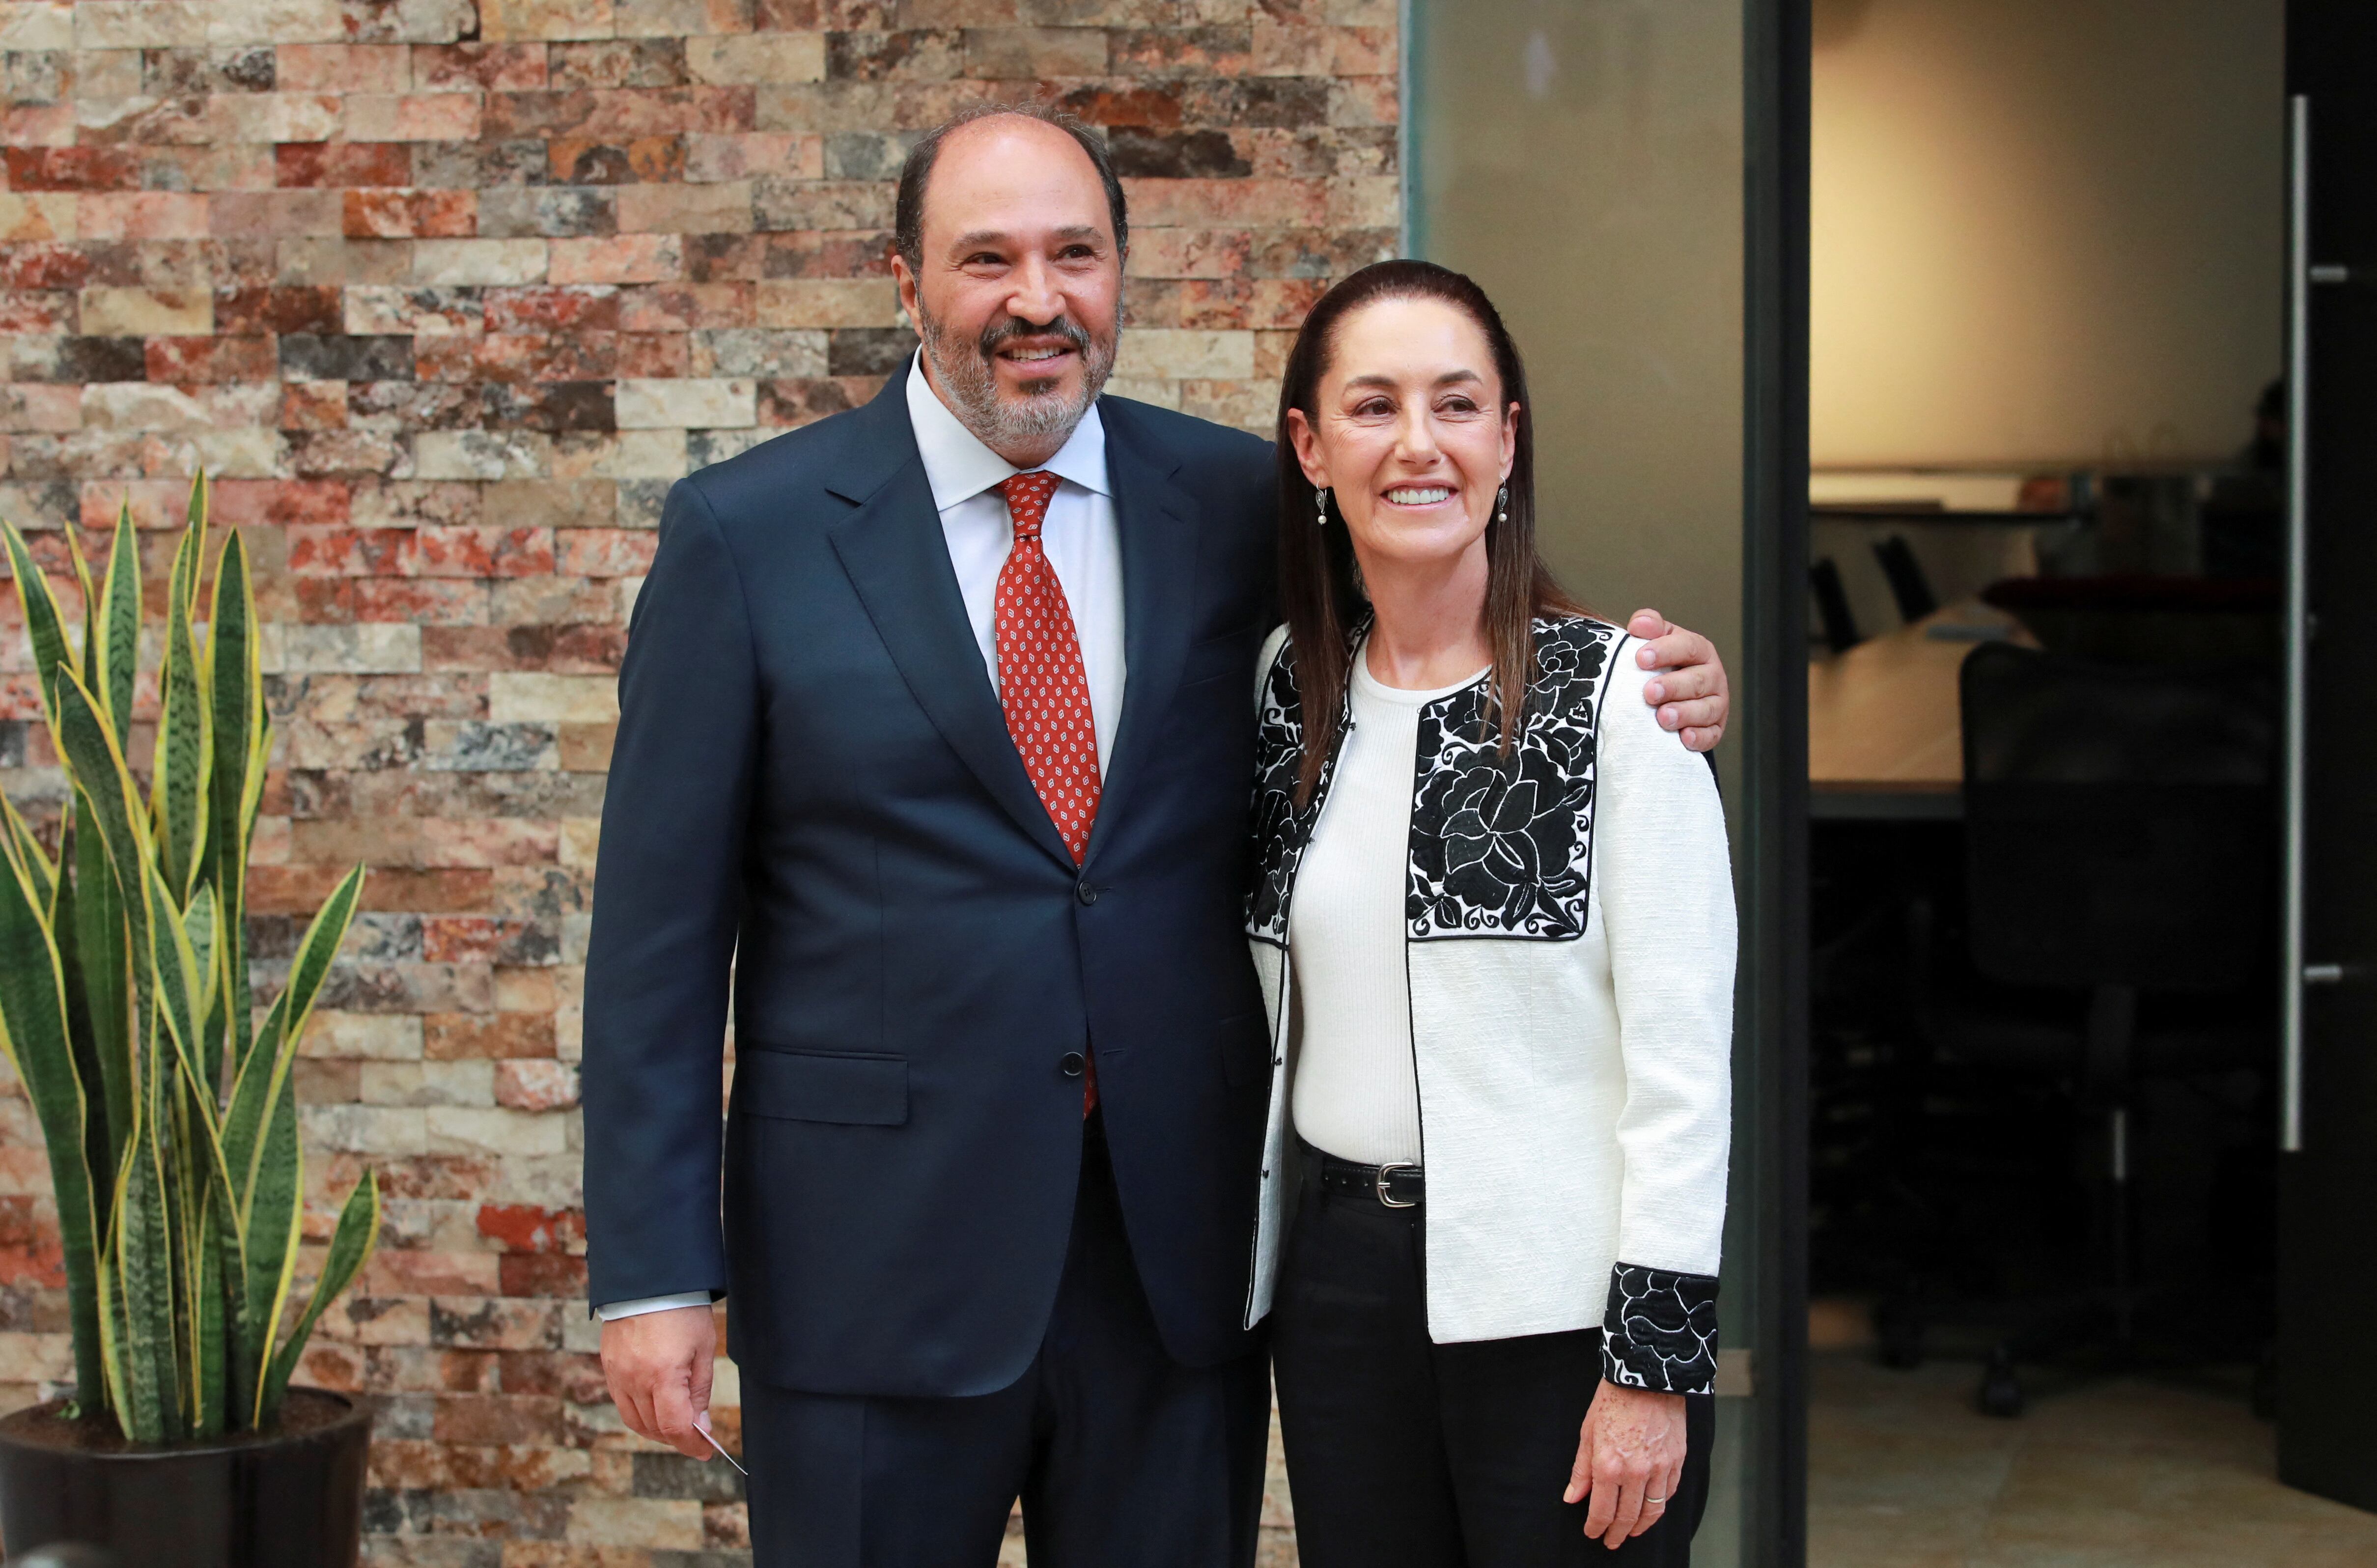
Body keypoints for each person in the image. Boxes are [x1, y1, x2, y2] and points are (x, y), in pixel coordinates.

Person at [581, 103, 1734, 1568]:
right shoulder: (746, 538)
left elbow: (1434, 607)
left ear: (1123, 276)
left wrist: (1652, 685)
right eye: (986, 258)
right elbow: (655, 954)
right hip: (871, 1267)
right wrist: (653, 1275)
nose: (1037, 299)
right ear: (904, 280)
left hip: (1173, 1273)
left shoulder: (1230, 504)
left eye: (1076, 253)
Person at [1244, 260, 1735, 1565]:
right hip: (1341, 1289)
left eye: (1458, 407)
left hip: (1565, 1312)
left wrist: (1654, 1365)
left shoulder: (1618, 699)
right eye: (1375, 407)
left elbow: (1684, 1070)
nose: (1420, 444)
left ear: (1507, 440)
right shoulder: (1289, 691)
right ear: (1310, 446)